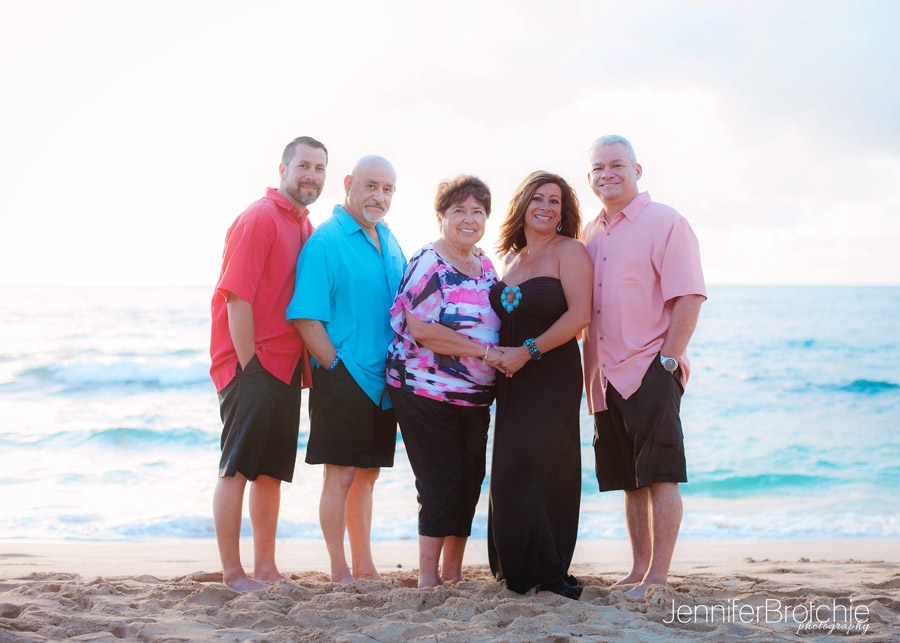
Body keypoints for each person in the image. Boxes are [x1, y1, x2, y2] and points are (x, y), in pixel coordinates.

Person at [582, 135, 706, 599]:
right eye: (598, 167)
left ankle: (658, 576)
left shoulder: (666, 222)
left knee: (660, 475)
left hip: (650, 369)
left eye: (616, 164)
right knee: (629, 481)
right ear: (589, 177)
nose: (607, 173)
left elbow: (689, 295)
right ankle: (637, 569)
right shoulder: (590, 232)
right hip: (602, 378)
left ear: (637, 170)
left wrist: (668, 361)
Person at [210, 136, 328, 591]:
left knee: (270, 473)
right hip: (252, 365)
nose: (311, 175)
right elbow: (236, 297)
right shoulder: (259, 218)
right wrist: (249, 367)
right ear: (283, 170)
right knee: (236, 469)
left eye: (318, 168)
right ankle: (232, 573)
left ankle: (265, 568)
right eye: (303, 166)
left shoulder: (303, 224)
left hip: (285, 366)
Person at [288, 155, 406, 584]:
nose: (379, 196)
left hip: (383, 382)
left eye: (388, 189)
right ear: (349, 184)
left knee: (368, 476)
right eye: (371, 186)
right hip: (343, 376)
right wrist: (334, 366)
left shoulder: (389, 240)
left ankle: (365, 565)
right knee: (340, 477)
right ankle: (339, 569)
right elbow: (305, 315)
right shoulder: (327, 241)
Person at [385, 175, 502, 588]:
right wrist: (487, 354)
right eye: (459, 211)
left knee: (469, 482)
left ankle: (453, 573)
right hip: (424, 390)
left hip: (474, 398)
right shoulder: (428, 263)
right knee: (440, 482)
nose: (469, 219)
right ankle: (428, 578)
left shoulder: (485, 265)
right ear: (441, 217)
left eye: (478, 212)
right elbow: (422, 331)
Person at [487, 171, 593, 599]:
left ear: (564, 212)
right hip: (511, 380)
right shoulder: (509, 259)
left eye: (556, 201)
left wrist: (526, 352)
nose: (547, 207)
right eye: (539, 199)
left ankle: (549, 574)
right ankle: (518, 569)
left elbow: (580, 316)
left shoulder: (571, 251)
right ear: (523, 205)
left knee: (543, 470)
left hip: (551, 374)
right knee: (510, 470)